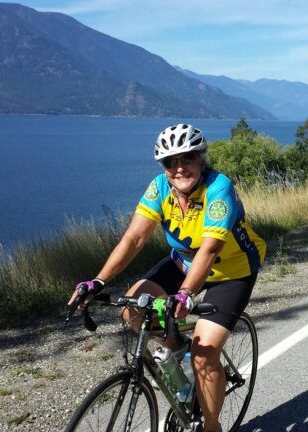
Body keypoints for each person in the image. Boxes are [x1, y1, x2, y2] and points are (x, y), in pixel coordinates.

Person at [68, 123, 266, 432]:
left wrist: (186, 294)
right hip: (184, 263)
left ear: (201, 158)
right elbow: (133, 239)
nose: (178, 168)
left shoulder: (218, 188)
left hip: (231, 271)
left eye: (186, 158)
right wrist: (98, 282)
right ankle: (180, 355)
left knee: (205, 352)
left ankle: (211, 424)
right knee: (132, 309)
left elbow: (211, 248)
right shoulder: (159, 188)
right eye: (170, 162)